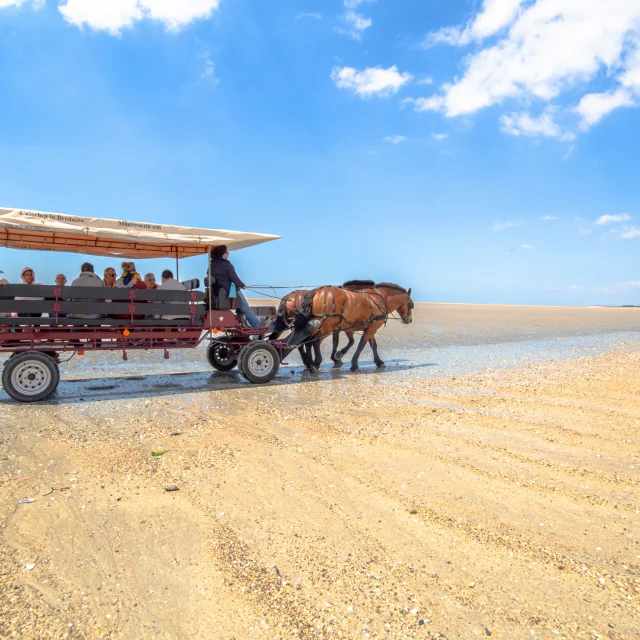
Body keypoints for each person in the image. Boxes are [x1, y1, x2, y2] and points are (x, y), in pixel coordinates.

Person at [209, 245, 260, 328]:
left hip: (217, 294)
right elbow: (235, 279)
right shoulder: (226, 265)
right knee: (246, 309)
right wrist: (242, 285)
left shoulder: (211, 265)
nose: (228, 254)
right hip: (228, 293)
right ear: (223, 254)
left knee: (240, 306)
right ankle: (258, 327)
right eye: (227, 252)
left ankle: (243, 323)